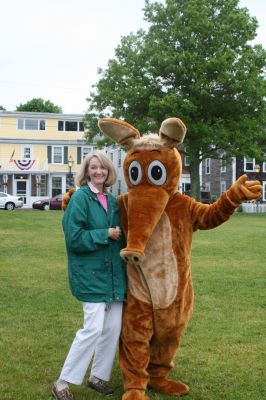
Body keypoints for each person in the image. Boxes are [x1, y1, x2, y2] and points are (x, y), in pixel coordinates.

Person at [52, 151, 127, 400]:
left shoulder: (114, 201)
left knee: (113, 327)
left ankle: (98, 376)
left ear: (109, 172)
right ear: (86, 171)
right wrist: (103, 234)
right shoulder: (81, 198)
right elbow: (74, 238)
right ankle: (62, 382)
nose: (99, 172)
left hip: (115, 276)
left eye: (103, 168)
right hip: (90, 274)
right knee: (93, 328)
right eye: (94, 168)